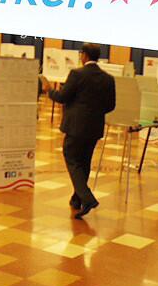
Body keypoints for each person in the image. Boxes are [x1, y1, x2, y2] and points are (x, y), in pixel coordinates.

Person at [48, 43, 116, 219]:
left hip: (76, 127)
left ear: (84, 55)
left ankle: (87, 198)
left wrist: (49, 91)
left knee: (71, 158)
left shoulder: (77, 74)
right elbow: (111, 106)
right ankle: (76, 199)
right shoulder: (108, 78)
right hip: (94, 128)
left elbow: (63, 97)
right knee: (84, 162)